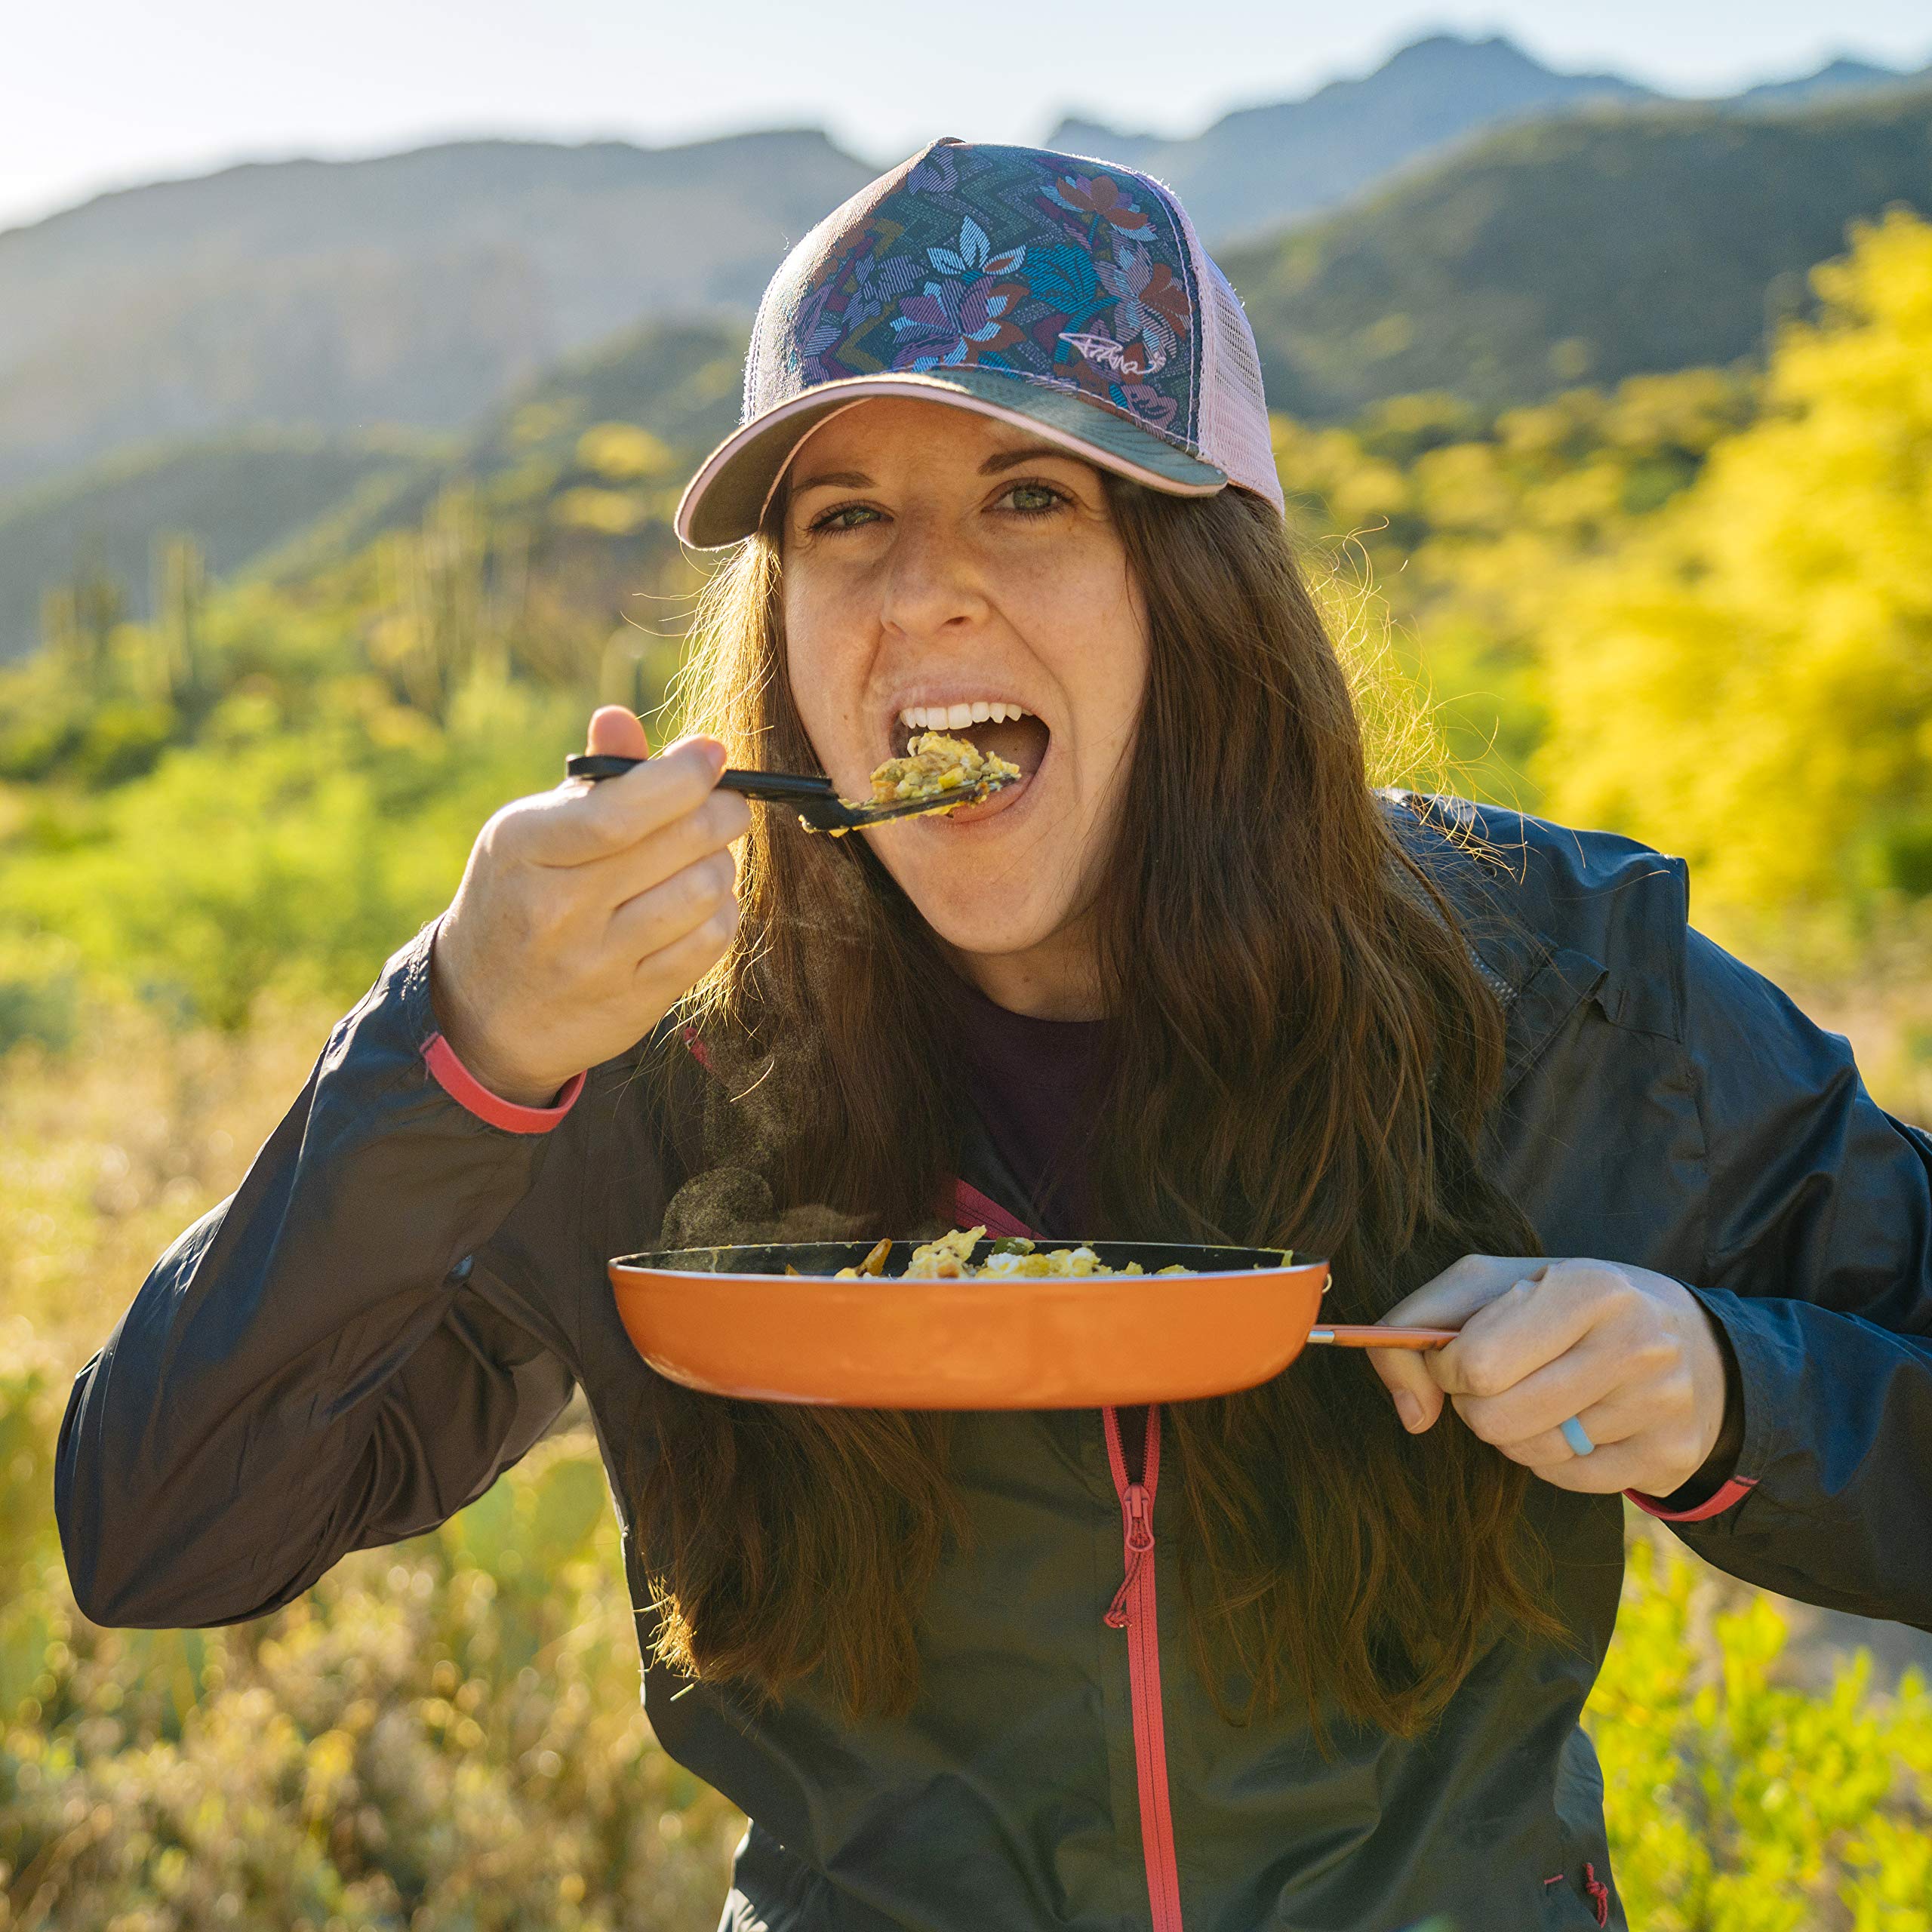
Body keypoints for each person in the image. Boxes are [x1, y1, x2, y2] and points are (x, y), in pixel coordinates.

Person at [54, 138, 1932, 1932]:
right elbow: (162, 1536)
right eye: (842, 519)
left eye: (1030, 494)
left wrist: (1726, 1394)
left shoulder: (1548, 980)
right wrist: (459, 1045)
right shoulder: (649, 1055)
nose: (919, 587)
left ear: (1200, 583)